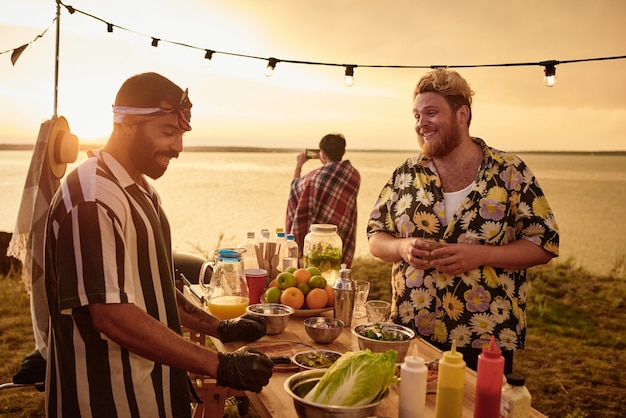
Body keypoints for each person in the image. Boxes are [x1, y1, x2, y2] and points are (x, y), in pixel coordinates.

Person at [44, 72, 273, 417]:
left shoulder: (142, 190)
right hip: (107, 401)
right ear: (126, 124)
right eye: (167, 132)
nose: (178, 147)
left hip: (153, 392)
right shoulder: (91, 199)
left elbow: (154, 289)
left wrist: (218, 327)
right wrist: (219, 365)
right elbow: (111, 314)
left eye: (180, 134)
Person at [366, 68, 559, 374]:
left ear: (462, 114)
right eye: (416, 115)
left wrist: (482, 254)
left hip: (485, 339)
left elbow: (544, 243)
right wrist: (402, 247)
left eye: (431, 112)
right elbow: (376, 236)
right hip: (411, 328)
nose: (421, 123)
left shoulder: (510, 171)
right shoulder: (405, 173)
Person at [286, 133, 361, 267]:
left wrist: (299, 165)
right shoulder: (353, 175)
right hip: (339, 234)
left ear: (322, 154)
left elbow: (295, 189)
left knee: (316, 275)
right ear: (343, 151)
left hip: (317, 237)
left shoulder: (316, 177)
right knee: (335, 272)